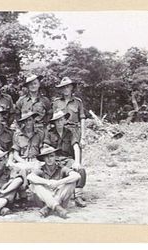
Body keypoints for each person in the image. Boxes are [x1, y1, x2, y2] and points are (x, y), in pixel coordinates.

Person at [52, 76, 87, 206]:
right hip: (60, 131)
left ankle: (78, 194)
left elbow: (82, 118)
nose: (66, 89)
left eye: (68, 86)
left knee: (76, 163)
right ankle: (65, 190)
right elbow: (54, 119)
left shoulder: (77, 102)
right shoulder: (56, 102)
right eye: (63, 87)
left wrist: (83, 136)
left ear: (72, 87)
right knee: (61, 161)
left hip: (74, 131)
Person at [44, 110, 87, 207]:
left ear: (65, 121)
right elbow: (45, 147)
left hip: (67, 159)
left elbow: (76, 146)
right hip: (54, 159)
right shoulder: (50, 133)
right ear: (54, 123)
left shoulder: (70, 132)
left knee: (81, 170)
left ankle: (78, 196)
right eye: (57, 121)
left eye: (61, 120)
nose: (59, 123)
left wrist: (76, 162)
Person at [27, 145, 80, 219]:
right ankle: (57, 208)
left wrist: (58, 183)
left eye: (51, 156)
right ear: (43, 159)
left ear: (55, 157)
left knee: (71, 182)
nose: (49, 159)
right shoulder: (41, 169)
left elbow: (77, 176)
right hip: (44, 200)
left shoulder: (61, 168)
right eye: (46, 157)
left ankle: (48, 208)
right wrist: (47, 182)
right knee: (35, 185)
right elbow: (30, 177)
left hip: (59, 197)